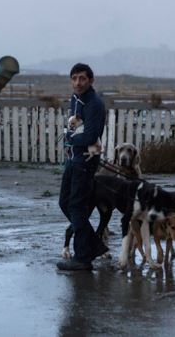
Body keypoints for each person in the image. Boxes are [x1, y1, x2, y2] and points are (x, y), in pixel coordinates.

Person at [57, 63, 107, 271]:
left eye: (82, 78)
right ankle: (93, 245)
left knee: (77, 207)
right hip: (73, 159)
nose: (78, 82)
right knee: (64, 203)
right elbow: (76, 127)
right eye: (75, 78)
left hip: (85, 162)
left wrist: (68, 136)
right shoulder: (75, 100)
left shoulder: (94, 103)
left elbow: (89, 136)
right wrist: (73, 137)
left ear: (90, 80)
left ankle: (83, 258)